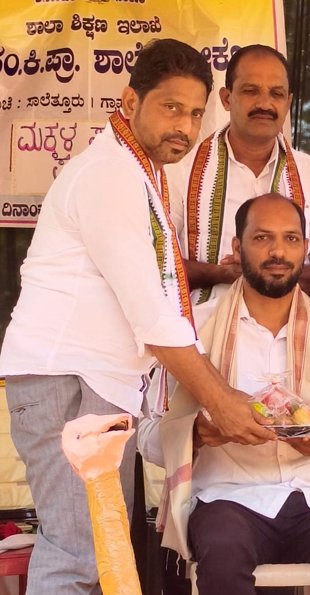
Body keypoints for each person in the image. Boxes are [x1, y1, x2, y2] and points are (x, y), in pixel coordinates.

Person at [0, 39, 274, 595]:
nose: (185, 126)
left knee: (99, 550)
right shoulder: (109, 174)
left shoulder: (136, 172)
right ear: (130, 102)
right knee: (79, 552)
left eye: (195, 113)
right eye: (171, 107)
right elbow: (151, 312)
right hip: (66, 380)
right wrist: (220, 400)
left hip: (92, 384)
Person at [138, 193, 310, 595]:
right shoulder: (190, 332)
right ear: (237, 247)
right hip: (227, 499)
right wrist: (199, 433)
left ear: (305, 248)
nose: (278, 251)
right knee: (223, 550)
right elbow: (147, 435)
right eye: (262, 238)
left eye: (291, 239)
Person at [166, 43, 310, 304]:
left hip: (290, 327)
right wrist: (220, 274)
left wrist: (268, 277)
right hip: (201, 326)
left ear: (288, 103)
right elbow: (155, 265)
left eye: (276, 94)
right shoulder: (179, 169)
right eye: (251, 91)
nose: (264, 104)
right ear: (226, 98)